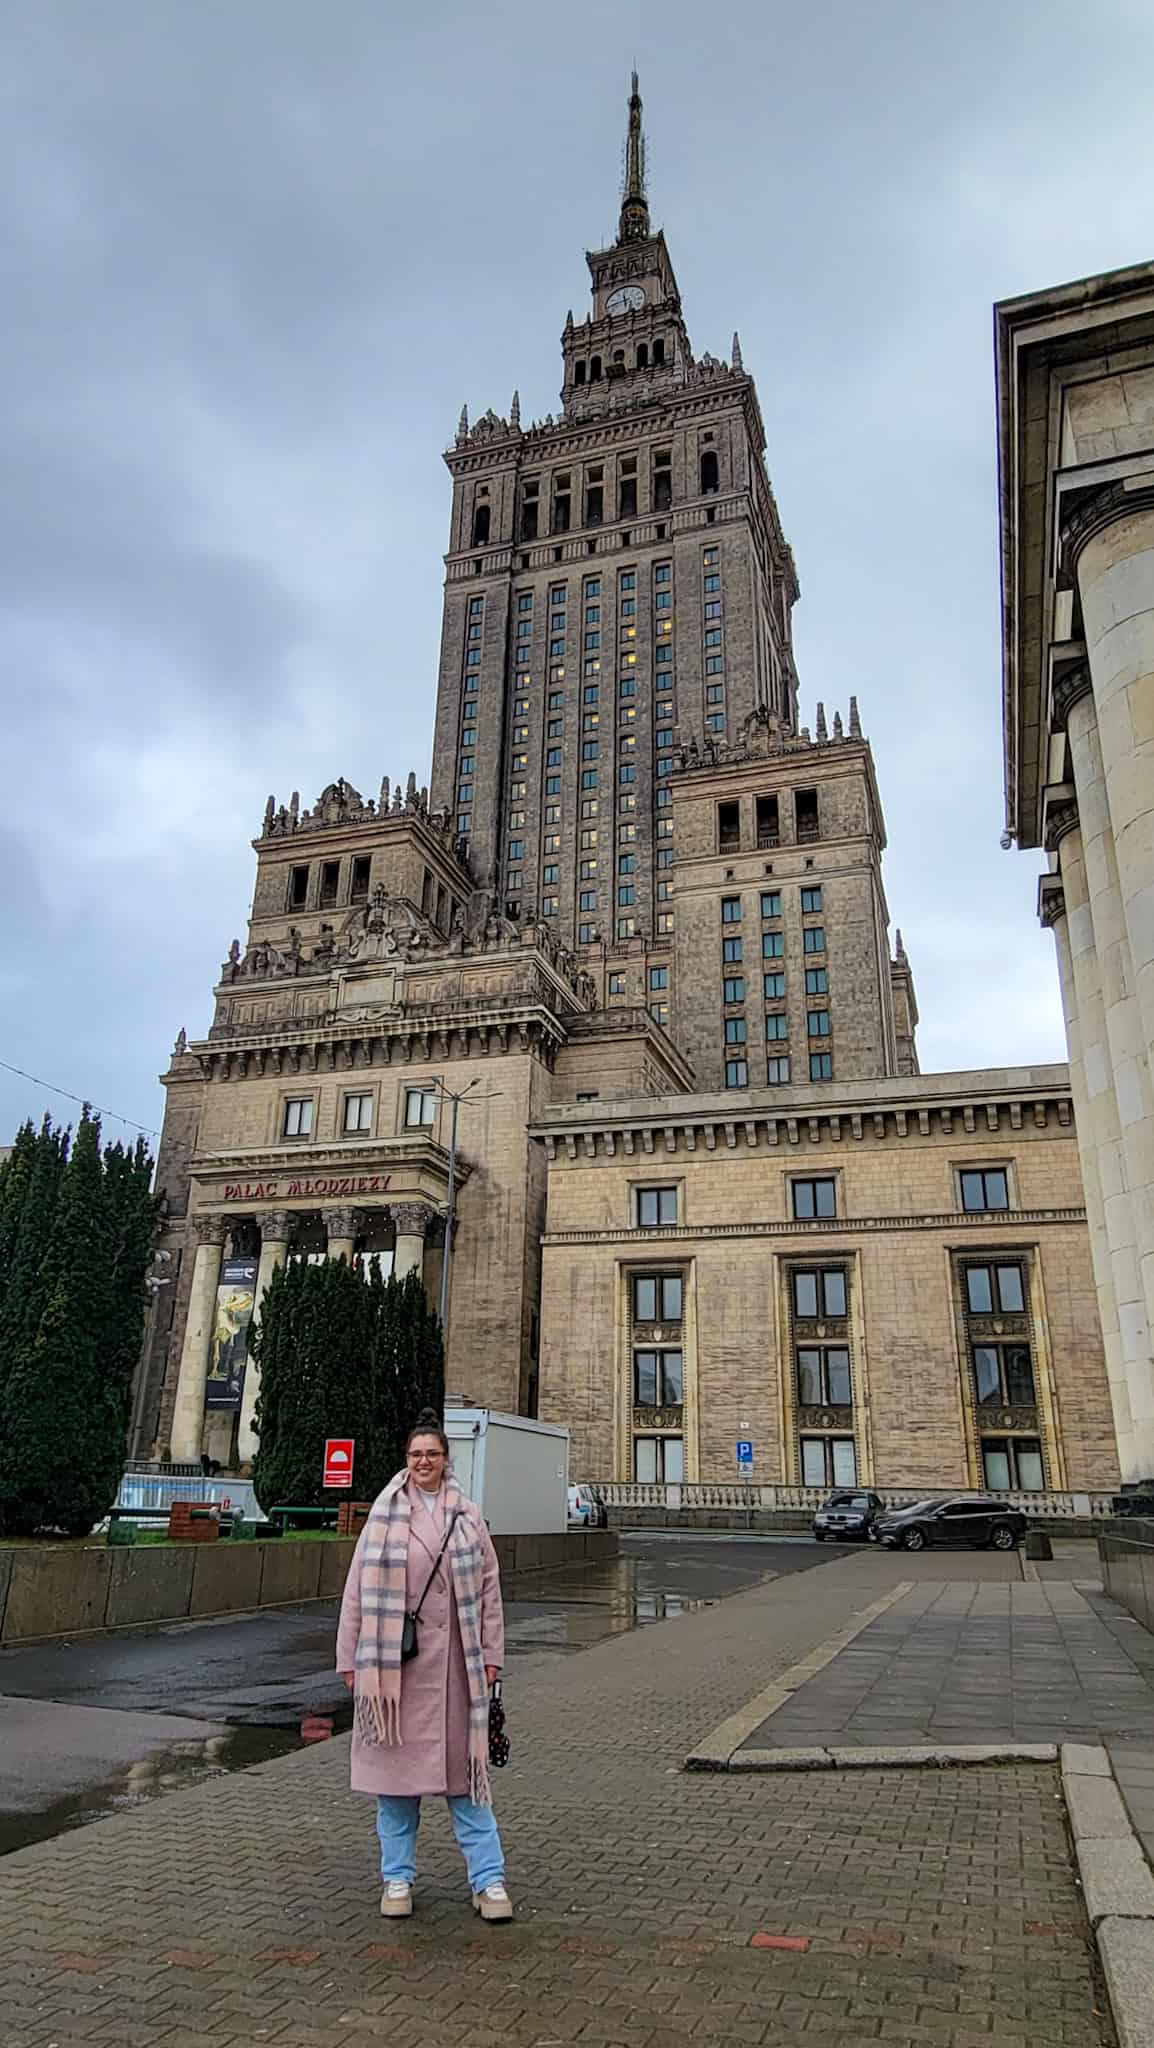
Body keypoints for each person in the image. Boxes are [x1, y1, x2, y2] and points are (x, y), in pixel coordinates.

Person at [336, 1409, 512, 1922]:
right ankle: (397, 1879)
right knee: (395, 1787)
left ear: (445, 1459)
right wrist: (350, 1658)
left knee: (467, 1783)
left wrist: (493, 1655)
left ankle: (489, 1880)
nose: (423, 1462)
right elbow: (356, 1592)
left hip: (458, 1668)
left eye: (432, 1454)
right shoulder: (384, 1514)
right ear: (406, 1460)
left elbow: (489, 1592)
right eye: (416, 1455)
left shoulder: (468, 1515)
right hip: (397, 1672)